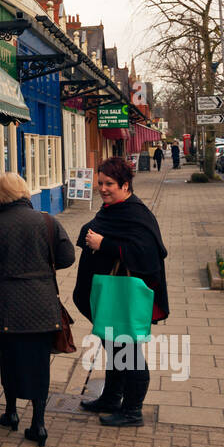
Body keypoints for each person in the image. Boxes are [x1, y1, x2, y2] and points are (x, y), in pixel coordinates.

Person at [0, 173, 75, 447]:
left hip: (6, 304)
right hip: (41, 303)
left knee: (10, 358)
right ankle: (38, 424)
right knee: (40, 363)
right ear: (25, 191)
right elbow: (67, 257)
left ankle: (11, 412)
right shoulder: (46, 220)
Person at [73, 156, 169, 427]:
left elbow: (148, 254)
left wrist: (105, 244)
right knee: (114, 349)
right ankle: (111, 398)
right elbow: (86, 233)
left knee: (128, 354)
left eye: (109, 184)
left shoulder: (135, 214)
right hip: (110, 297)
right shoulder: (111, 209)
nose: (102, 188)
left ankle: (132, 411)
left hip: (124, 300)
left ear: (125, 185)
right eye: (100, 182)